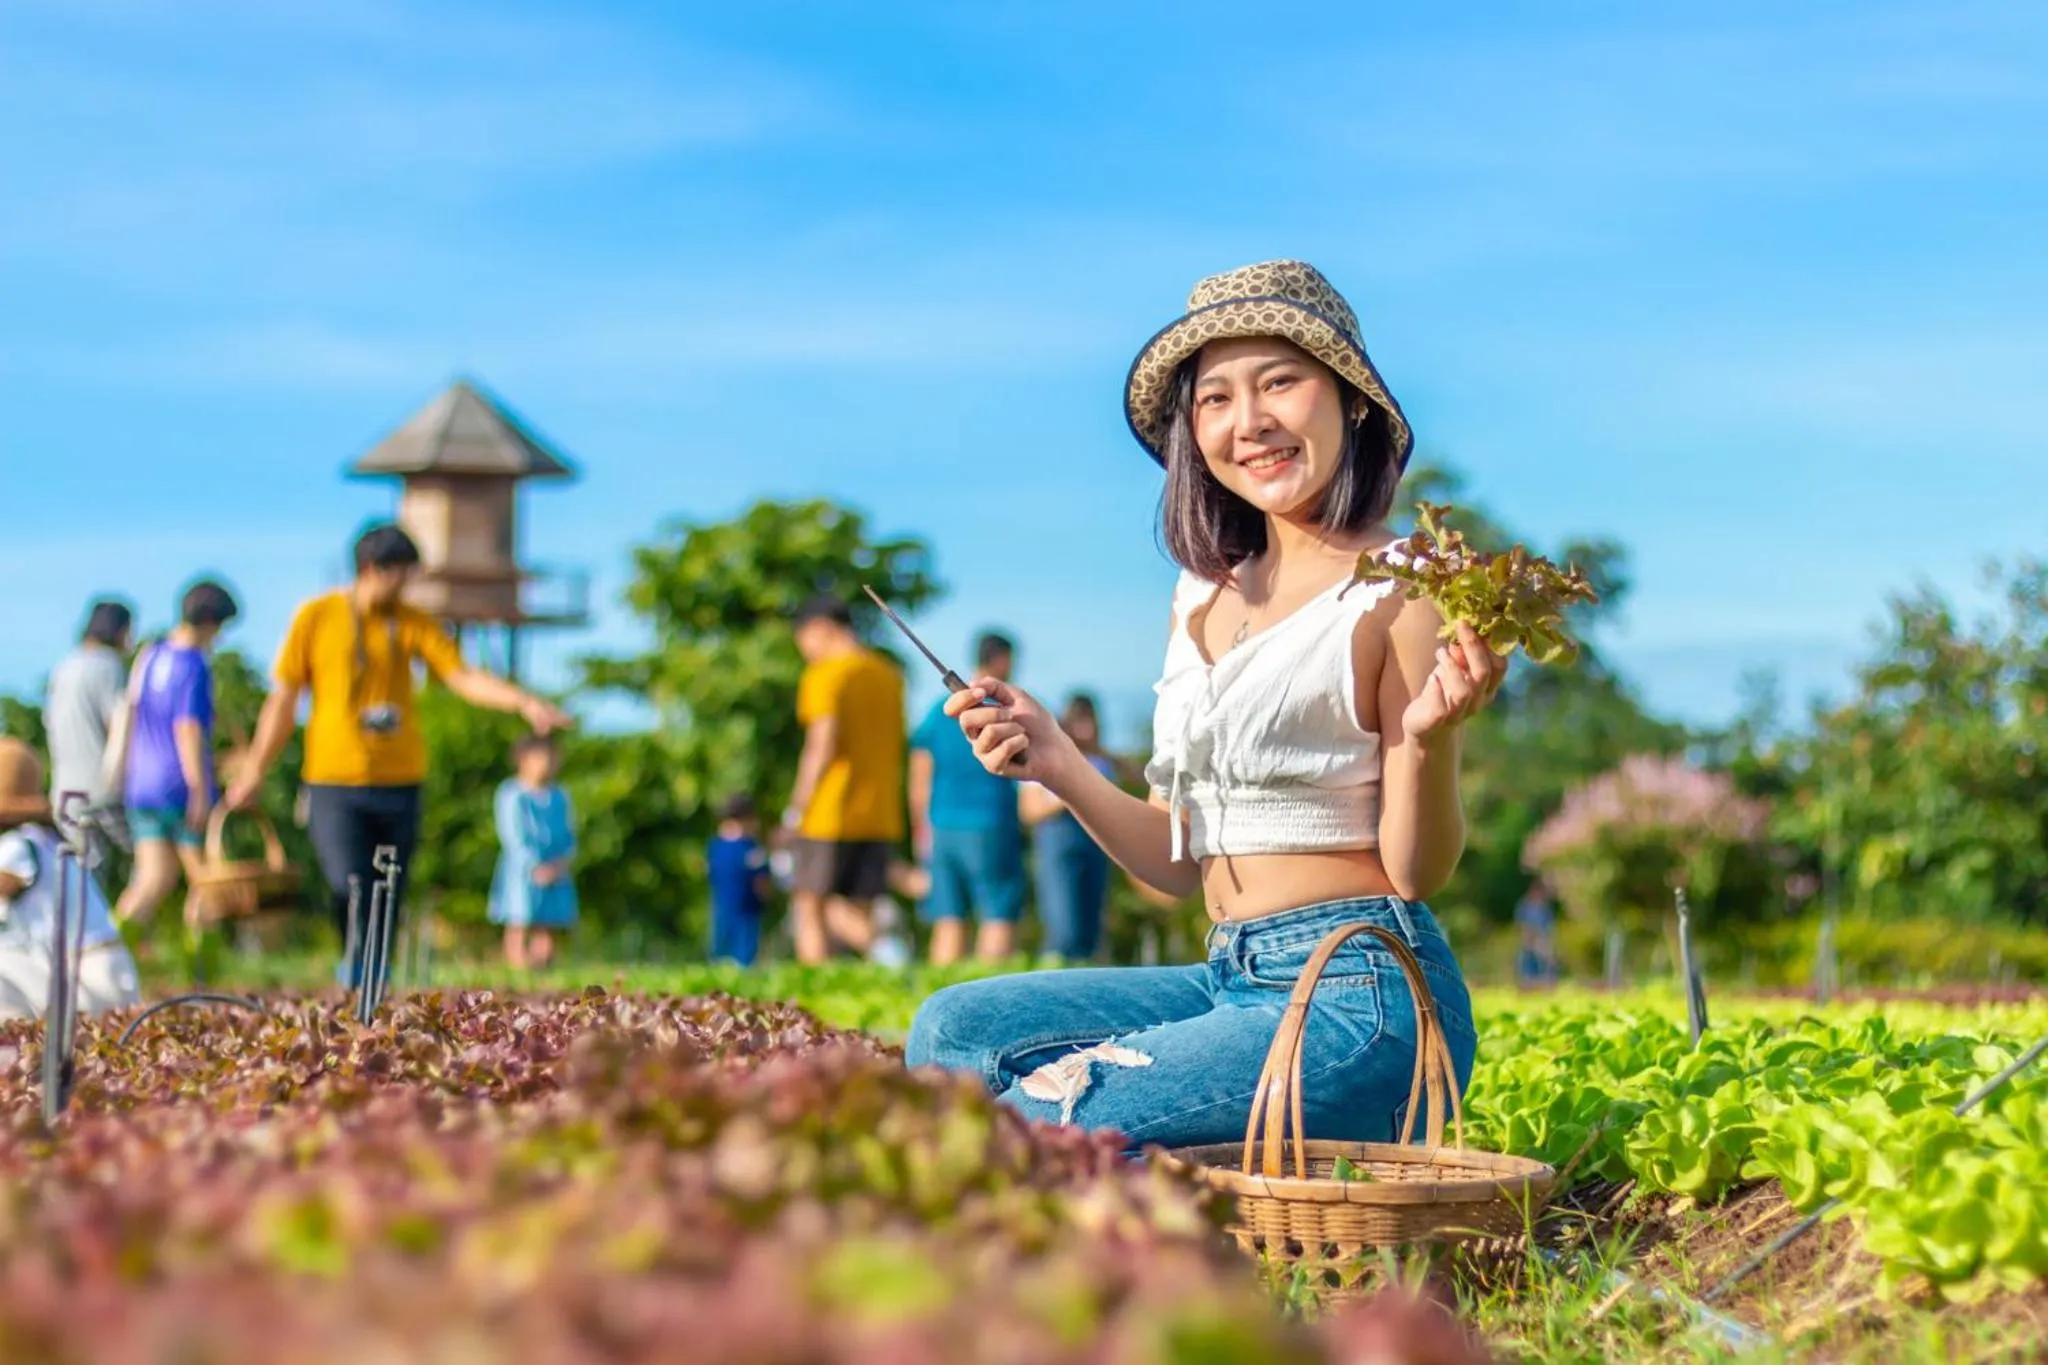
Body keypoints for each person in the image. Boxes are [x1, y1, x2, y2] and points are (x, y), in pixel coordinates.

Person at [905, 261, 1507, 1150]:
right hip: (1229, 975)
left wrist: (1428, 739)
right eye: (1216, 398)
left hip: (1362, 996)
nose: (1248, 421)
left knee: (1039, 1124)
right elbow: (1180, 865)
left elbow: (1416, 874)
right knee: (951, 1031)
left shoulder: (1403, 584)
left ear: (1352, 402)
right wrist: (1059, 763)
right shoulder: (1201, 594)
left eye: (1280, 382)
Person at [224, 523, 572, 989]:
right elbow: (283, 701)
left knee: (388, 890)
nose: (407, 585)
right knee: (347, 883)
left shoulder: (412, 622)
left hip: (400, 782)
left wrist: (522, 702)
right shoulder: (317, 617)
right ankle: (354, 972)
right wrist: (255, 768)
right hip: (333, 780)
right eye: (401, 574)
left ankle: (376, 983)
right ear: (372, 569)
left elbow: (461, 676)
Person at [781, 595, 905, 964]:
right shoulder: (888, 674)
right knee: (860, 906)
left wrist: (796, 808)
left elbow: (822, 743)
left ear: (820, 628)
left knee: (808, 904)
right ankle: (883, 955)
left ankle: (821, 983)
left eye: (803, 641)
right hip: (880, 811)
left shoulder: (825, 674)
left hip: (830, 812)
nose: (805, 651)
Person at [114, 580, 240, 932]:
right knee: (205, 880)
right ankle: (200, 958)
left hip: (142, 783)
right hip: (179, 784)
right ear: (211, 622)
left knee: (154, 878)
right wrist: (199, 789)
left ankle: (106, 945)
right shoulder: (194, 663)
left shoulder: (151, 654)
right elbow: (188, 729)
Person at [0, 738, 142, 1021]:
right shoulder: (48, 842)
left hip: (90, 982)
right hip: (111, 980)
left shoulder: (19, 844)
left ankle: (12, 1037)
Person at [909, 631, 1028, 965]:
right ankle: (989, 991)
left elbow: (919, 779)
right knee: (998, 914)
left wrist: (921, 829)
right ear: (1002, 660)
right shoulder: (1002, 710)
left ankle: (942, 990)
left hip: (942, 827)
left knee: (948, 919)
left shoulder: (938, 712)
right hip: (991, 824)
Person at [1019, 693, 1118, 962]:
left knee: (1091, 929)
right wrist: (1071, 794)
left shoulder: (1103, 763)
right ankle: (1054, 971)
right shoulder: (1044, 759)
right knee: (1064, 927)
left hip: (1096, 846)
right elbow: (1028, 811)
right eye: (1079, 721)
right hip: (1058, 845)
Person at [488, 733, 577, 970]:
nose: (546, 764)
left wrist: (561, 863)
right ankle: (516, 966)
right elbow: (511, 834)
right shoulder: (511, 793)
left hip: (555, 865)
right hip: (522, 868)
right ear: (523, 760)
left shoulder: (559, 795)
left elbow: (569, 832)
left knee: (549, 920)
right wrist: (533, 865)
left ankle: (543, 967)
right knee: (519, 916)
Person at [43, 599, 133, 819]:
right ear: (119, 631)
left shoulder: (63, 667)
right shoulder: (109, 665)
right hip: (99, 792)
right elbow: (120, 726)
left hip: (63, 792)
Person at [707, 794, 771, 967]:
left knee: (733, 951)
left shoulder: (717, 847)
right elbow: (762, 882)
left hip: (739, 908)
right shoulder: (750, 848)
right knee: (731, 950)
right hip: (736, 908)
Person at [1514, 878, 1559, 989]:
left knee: (1546, 959)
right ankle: (1526, 982)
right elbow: (1520, 924)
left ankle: (1547, 981)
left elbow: (1549, 926)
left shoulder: (1545, 908)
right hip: (1528, 938)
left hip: (1541, 938)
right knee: (1525, 960)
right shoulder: (1524, 906)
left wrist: (1544, 938)